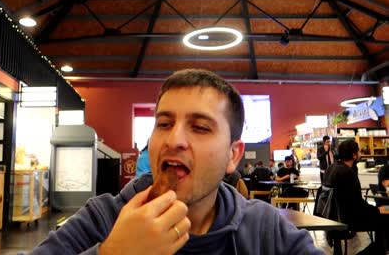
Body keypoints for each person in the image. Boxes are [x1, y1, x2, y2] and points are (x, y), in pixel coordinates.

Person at [30, 69, 323, 254]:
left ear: (233, 155)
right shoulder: (104, 218)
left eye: (200, 127)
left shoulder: (265, 230)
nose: (174, 140)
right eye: (164, 124)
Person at [323, 139, 387, 254]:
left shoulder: (332, 168)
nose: (360, 154)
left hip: (332, 218)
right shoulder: (347, 173)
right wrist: (376, 210)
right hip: (346, 219)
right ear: (353, 155)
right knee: (383, 220)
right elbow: (357, 204)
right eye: (359, 151)